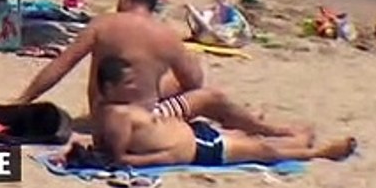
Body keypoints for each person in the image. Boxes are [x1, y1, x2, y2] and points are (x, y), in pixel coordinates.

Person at [12, 0, 305, 137]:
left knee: (171, 86)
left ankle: (241, 120)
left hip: (101, 115)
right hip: (136, 123)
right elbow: (195, 81)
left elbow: (60, 66)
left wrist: (21, 101)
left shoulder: (102, 24)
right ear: (151, 5)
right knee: (210, 97)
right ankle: (264, 128)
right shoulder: (166, 36)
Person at [72, 56, 357, 168]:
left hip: (195, 135)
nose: (134, 87)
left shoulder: (112, 108)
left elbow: (105, 145)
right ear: (109, 87)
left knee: (246, 140)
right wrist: (171, 157)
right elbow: (121, 158)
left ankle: (296, 140)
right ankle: (322, 152)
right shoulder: (118, 117)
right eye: (127, 83)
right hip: (197, 147)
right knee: (263, 151)